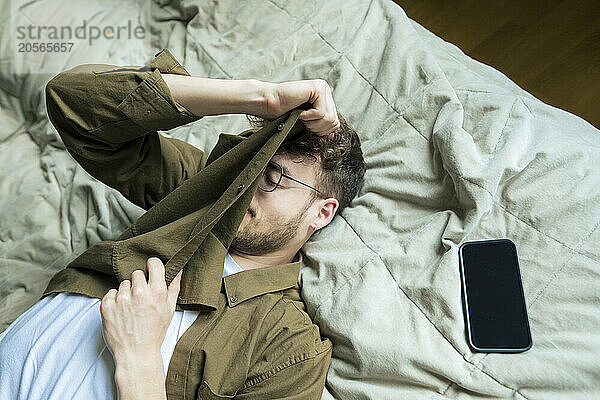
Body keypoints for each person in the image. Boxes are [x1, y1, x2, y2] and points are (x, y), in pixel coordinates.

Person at [0, 49, 366, 399]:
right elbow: (72, 103)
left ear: (322, 211)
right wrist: (261, 97)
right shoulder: (207, 186)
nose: (250, 185)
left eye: (272, 177)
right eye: (254, 166)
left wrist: (138, 358)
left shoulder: (291, 345)